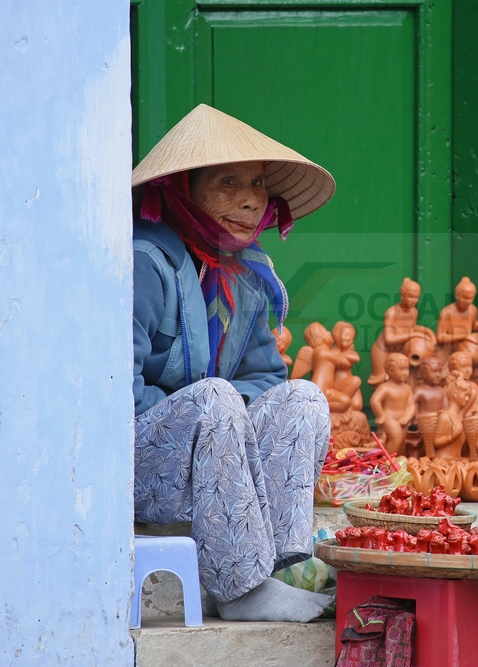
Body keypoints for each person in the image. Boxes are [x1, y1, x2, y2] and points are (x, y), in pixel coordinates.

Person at [131, 104, 336, 622]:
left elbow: (265, 377)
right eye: (228, 182)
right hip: (135, 461)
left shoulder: (245, 274)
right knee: (215, 399)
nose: (250, 200)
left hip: (219, 459)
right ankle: (241, 589)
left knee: (302, 398)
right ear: (183, 189)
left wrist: (230, 423)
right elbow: (113, 391)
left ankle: (286, 566)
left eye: (258, 184)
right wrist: (209, 414)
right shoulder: (144, 263)